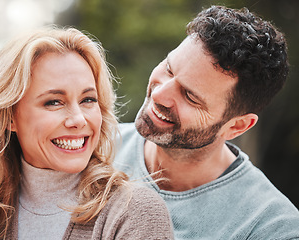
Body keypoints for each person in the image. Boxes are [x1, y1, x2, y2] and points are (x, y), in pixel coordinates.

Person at [0, 27, 174, 240]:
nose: (78, 119)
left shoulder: (134, 213)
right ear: (10, 116)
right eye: (54, 102)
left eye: (88, 100)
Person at [114, 5, 299, 239]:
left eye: (190, 96)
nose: (160, 95)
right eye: (169, 69)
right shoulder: (91, 147)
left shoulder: (269, 229)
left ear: (236, 126)